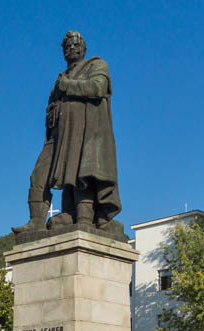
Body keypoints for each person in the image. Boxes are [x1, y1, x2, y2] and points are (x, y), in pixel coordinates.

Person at [13, 31, 121, 234]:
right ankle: (36, 221)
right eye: (67, 46)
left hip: (86, 134)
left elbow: (98, 88)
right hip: (58, 136)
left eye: (75, 45)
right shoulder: (60, 78)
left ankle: (83, 216)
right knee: (39, 175)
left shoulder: (96, 65)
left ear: (83, 48)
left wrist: (68, 87)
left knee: (83, 174)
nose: (71, 49)